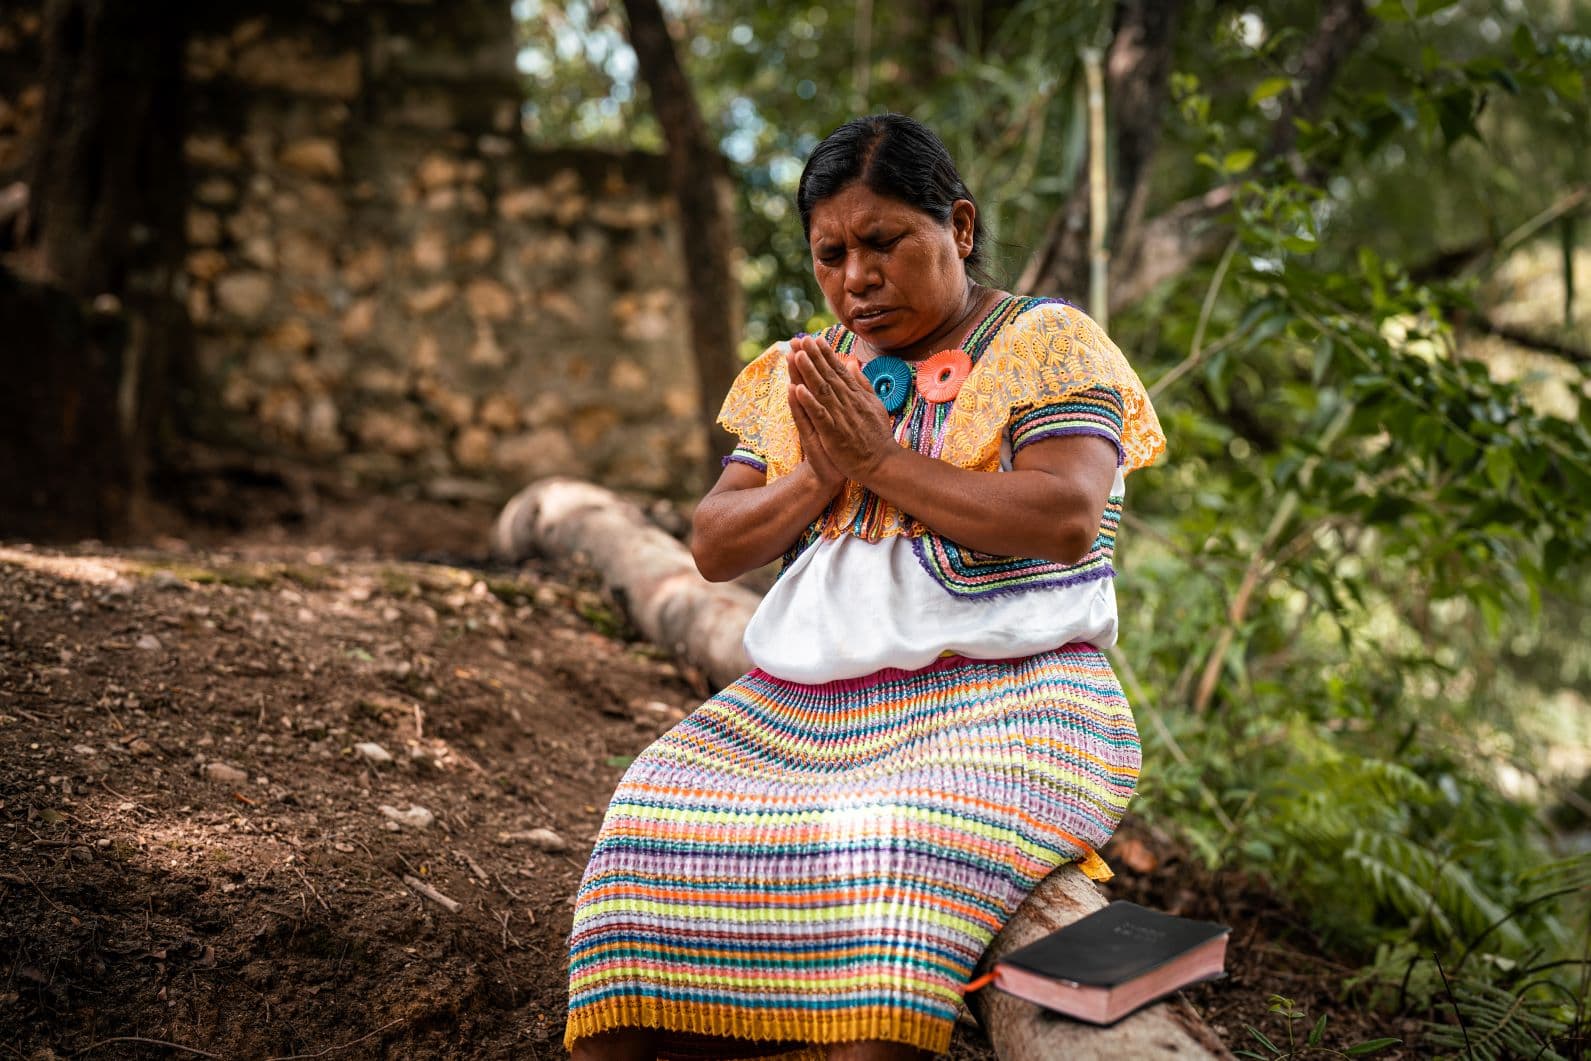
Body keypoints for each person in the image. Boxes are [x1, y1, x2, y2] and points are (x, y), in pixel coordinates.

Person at [564, 113, 1165, 1061]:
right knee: (649, 812)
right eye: (830, 253)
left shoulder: (1047, 344)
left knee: (888, 848)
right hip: (796, 714)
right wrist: (824, 473)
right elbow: (715, 545)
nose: (856, 276)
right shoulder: (804, 373)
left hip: (1014, 708)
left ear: (958, 228)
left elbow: (1062, 517)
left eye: (883, 241)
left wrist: (882, 459)